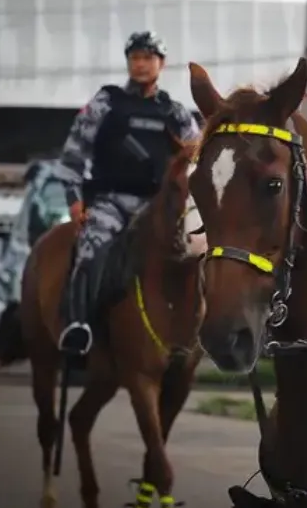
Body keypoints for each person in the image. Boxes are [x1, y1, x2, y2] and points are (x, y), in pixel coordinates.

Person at [55, 31, 202, 356]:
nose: (141, 64)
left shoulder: (176, 113)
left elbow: (199, 159)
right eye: (135, 58)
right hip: (111, 203)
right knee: (90, 250)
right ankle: (78, 326)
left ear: (161, 64)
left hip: (159, 207)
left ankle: (202, 333)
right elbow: (72, 157)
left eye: (148, 58)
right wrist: (74, 201)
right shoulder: (104, 104)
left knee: (202, 254)